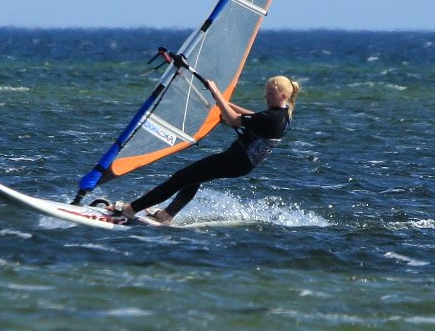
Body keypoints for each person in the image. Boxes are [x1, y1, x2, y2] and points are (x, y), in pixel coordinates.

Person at [110, 75, 300, 225]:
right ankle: (167, 214)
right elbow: (250, 115)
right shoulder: (282, 116)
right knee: (194, 177)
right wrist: (222, 101)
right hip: (240, 162)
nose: (265, 96)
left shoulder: (273, 119)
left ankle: (132, 209)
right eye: (266, 92)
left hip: (236, 160)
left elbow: (234, 119)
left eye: (270, 93)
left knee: (181, 177)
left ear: (282, 96)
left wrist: (216, 92)